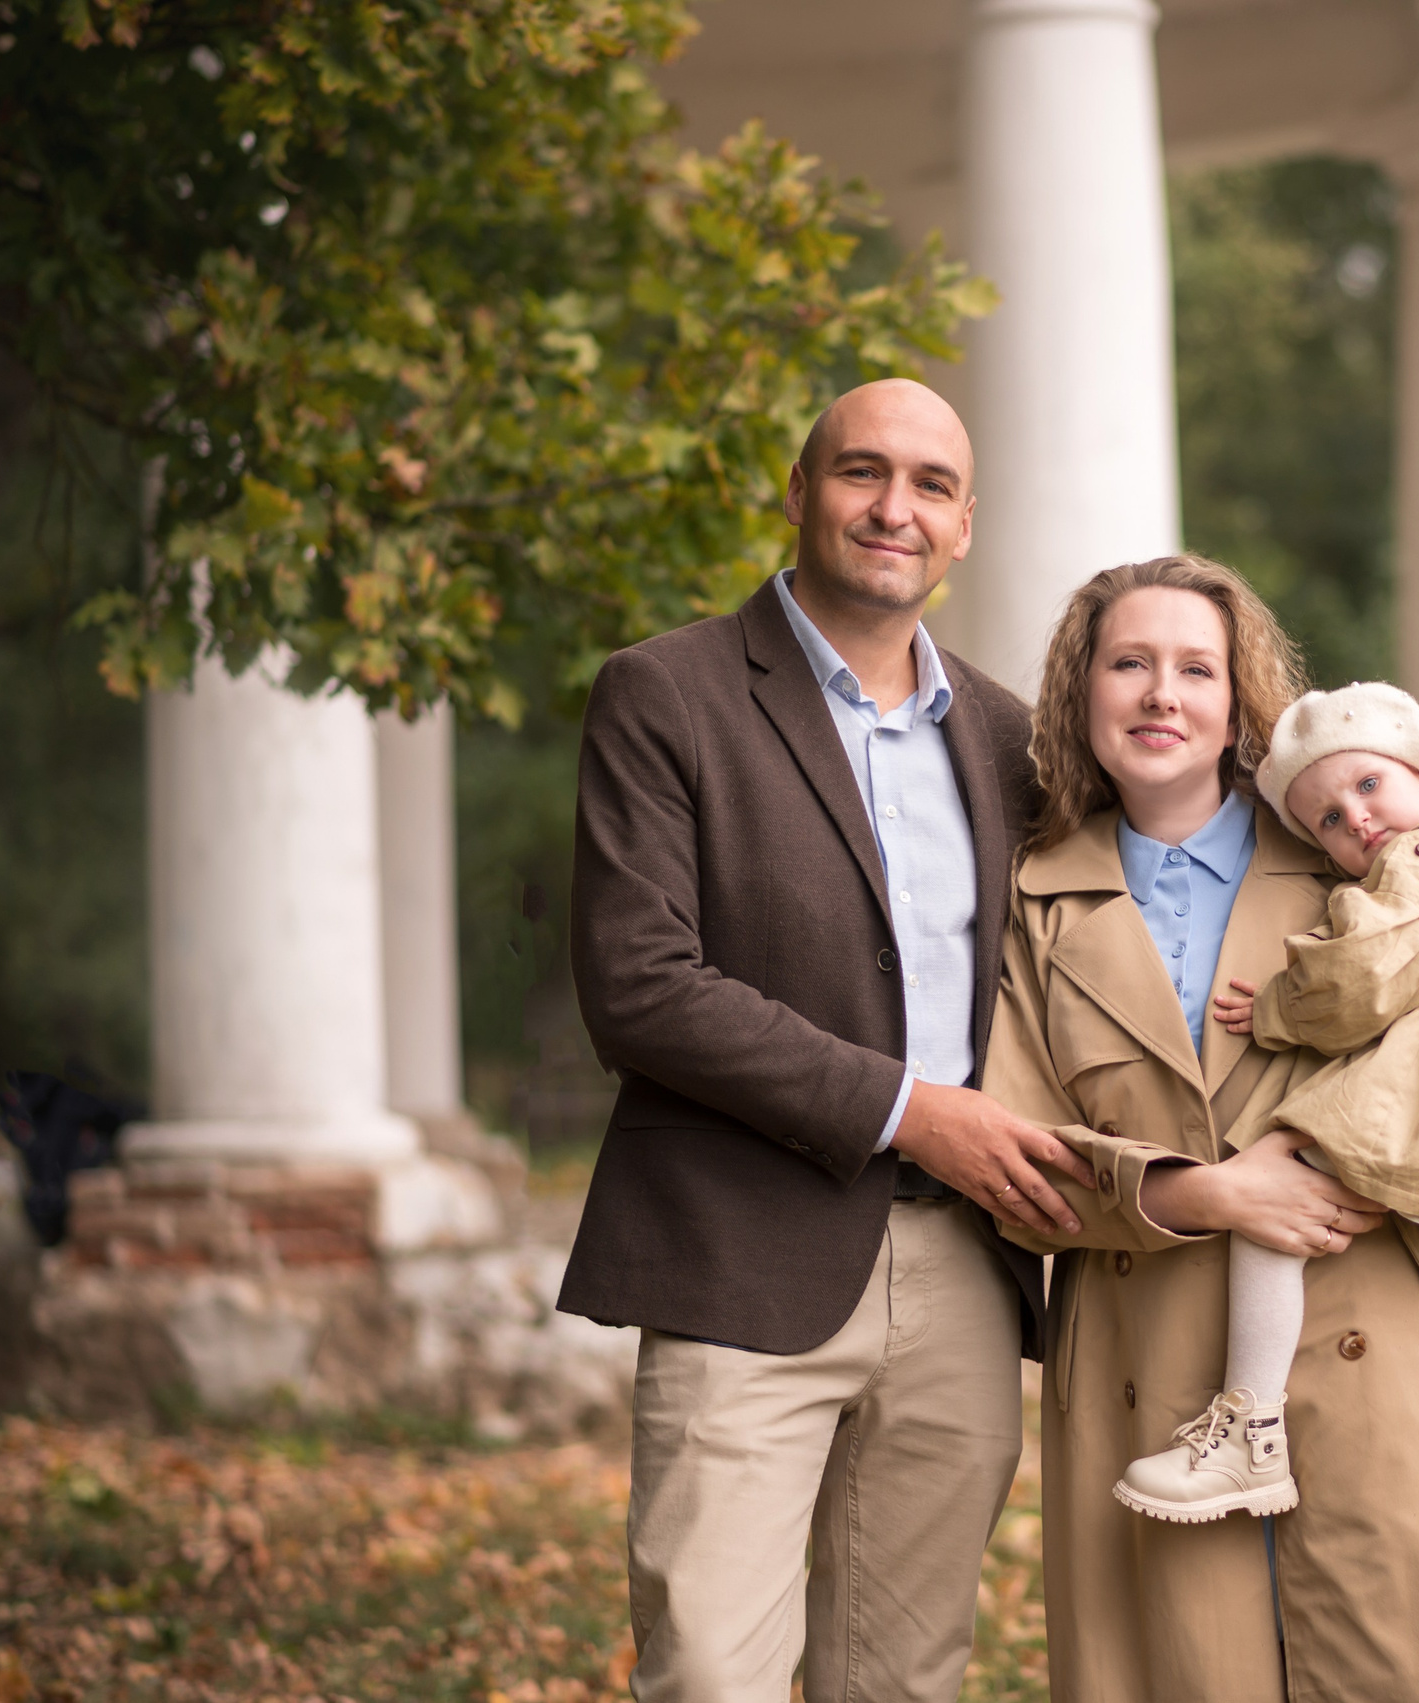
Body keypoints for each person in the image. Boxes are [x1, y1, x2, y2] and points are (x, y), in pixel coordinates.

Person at [555, 378, 1091, 1703]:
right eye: (861, 472)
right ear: (798, 495)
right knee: (713, 1675)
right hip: (741, 1255)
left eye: (930, 485)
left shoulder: (1012, 736)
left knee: (904, 1677)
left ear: (964, 525)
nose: (892, 507)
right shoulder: (663, 693)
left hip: (966, 1269)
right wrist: (918, 1109)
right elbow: (641, 984)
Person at [982, 556, 1419, 1703]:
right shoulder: (1033, 896)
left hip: (1365, 1334)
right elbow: (1010, 1146)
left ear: (1241, 700)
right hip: (1143, 1369)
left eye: (1196, 667)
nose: (1162, 695)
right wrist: (1204, 1193)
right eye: (1129, 664)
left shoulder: (1364, 857)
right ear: (1079, 691)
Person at [1111, 679, 1419, 1520]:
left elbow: (1369, 978)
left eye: (1367, 785)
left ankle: (1251, 1431)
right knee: (1298, 1210)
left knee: (1271, 1188)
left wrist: (1278, 1005)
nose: (1356, 819)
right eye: (1327, 818)